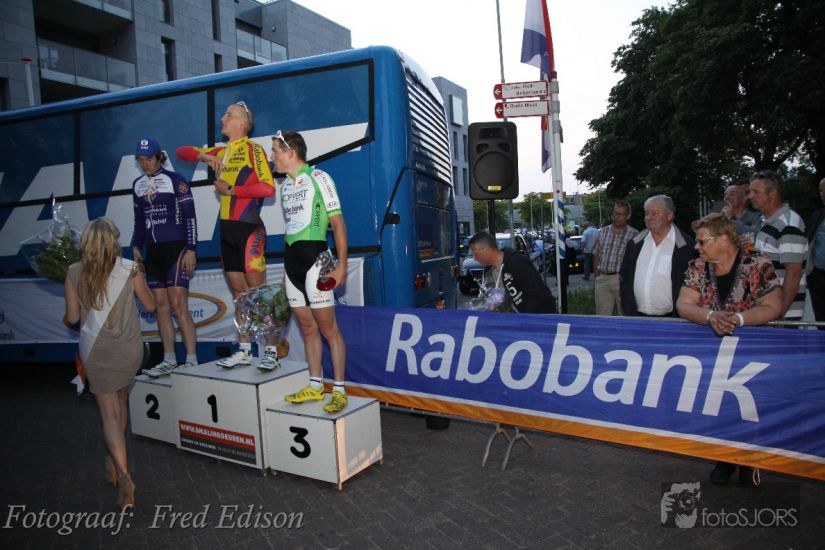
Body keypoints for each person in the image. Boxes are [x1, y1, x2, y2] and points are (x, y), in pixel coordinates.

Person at [676, 212, 783, 486]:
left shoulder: (757, 264)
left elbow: (773, 306)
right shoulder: (698, 266)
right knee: (720, 404)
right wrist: (711, 316)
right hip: (715, 351)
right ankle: (724, 458)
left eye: (702, 241)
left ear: (723, 239)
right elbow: (684, 304)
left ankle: (750, 461)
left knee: (750, 407)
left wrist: (738, 319)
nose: (697, 247)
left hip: (753, 350)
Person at [176, 101, 278, 369]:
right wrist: (204, 157)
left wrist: (232, 190)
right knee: (239, 295)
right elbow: (181, 151)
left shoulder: (253, 150)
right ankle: (244, 349)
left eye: (228, 115)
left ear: (243, 122)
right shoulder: (220, 151)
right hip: (227, 230)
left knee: (259, 294)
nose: (222, 118)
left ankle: (271, 351)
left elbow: (268, 188)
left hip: (248, 228)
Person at [63, 218, 156, 509]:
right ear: (112, 243)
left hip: (98, 354)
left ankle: (124, 474)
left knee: (109, 416)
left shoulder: (73, 272)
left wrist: (66, 317)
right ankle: (116, 461)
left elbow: (73, 319)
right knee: (121, 401)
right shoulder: (129, 269)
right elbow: (151, 305)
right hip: (128, 351)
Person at [271, 130, 350, 413]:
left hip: (316, 260)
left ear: (290, 151)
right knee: (307, 328)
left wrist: (341, 267)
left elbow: (338, 224)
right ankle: (315, 385)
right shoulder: (285, 187)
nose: (272, 157)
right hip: (292, 262)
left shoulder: (319, 177)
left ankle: (339, 389)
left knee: (329, 329)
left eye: (275, 151)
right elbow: (291, 228)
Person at [131, 137, 199, 377]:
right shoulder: (137, 185)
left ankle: (191, 360)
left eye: (149, 159)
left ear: (159, 156)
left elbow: (190, 216)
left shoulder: (176, 180)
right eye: (141, 160)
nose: (145, 164)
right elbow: (139, 220)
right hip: (153, 252)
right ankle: (169, 359)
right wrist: (135, 246)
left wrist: (191, 249)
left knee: (179, 306)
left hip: (176, 249)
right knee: (160, 307)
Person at [620, 195, 695, 317]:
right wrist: (627, 306)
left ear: (669, 215)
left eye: (654, 213)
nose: (649, 217)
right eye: (647, 213)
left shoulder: (686, 246)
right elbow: (625, 276)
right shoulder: (635, 243)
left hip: (673, 319)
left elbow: (692, 284)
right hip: (636, 317)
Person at [748, 170, 807, 320]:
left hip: (781, 315)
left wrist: (779, 314)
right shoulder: (766, 222)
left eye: (756, 192)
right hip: (766, 309)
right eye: (750, 191)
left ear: (773, 193)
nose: (750, 196)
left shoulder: (788, 223)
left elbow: (794, 273)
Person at [468, 232, 557, 313]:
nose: (474, 258)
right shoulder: (488, 271)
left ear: (485, 250)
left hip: (535, 320)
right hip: (510, 320)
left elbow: (537, 295)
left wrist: (523, 321)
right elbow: (495, 298)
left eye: (475, 253)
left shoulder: (517, 262)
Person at [593, 201, 638, 315]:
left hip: (622, 280)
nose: (617, 217)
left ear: (628, 216)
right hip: (602, 279)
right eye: (615, 213)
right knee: (602, 316)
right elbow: (597, 254)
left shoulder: (634, 235)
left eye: (621, 214)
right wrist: (597, 276)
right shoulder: (603, 231)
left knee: (624, 314)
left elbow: (636, 260)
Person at [806, 178, 825, 326]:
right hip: (818, 276)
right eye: (820, 190)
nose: (822, 194)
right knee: (821, 317)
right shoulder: (817, 216)